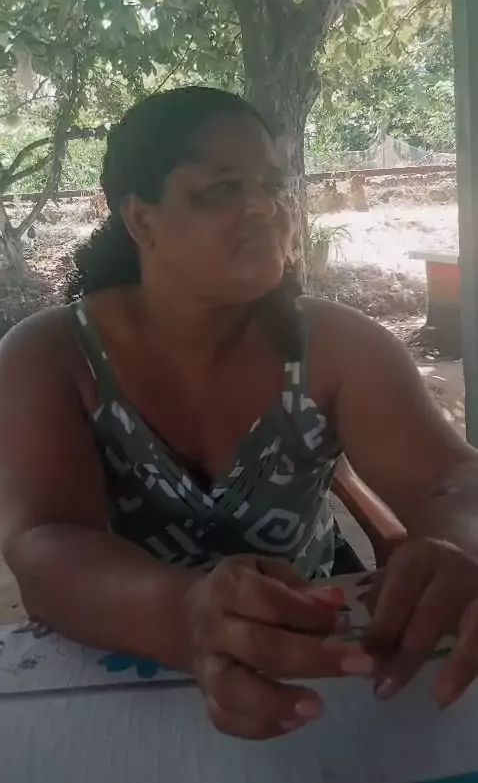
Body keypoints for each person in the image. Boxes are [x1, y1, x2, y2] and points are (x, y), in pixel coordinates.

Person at [1, 86, 478, 741]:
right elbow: (46, 543)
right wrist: (185, 613)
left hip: (320, 658)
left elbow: (449, 481)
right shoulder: (52, 357)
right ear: (141, 220)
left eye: (271, 186)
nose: (263, 207)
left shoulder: (337, 347)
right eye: (220, 189)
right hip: (125, 664)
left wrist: (464, 548)